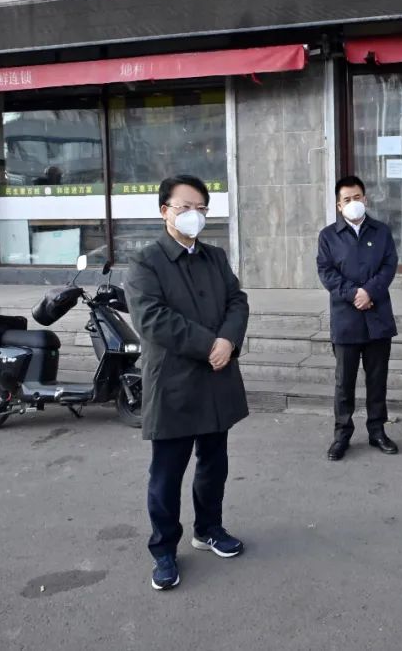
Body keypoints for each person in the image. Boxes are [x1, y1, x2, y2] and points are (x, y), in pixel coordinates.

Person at [125, 174, 250, 591]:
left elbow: (237, 300)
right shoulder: (146, 263)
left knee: (214, 464)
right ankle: (163, 549)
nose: (193, 215)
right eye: (184, 207)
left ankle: (209, 528)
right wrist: (209, 343)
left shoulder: (214, 257)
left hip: (216, 379)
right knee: (166, 474)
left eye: (201, 208)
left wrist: (229, 339)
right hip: (175, 383)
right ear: (165, 211)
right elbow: (152, 319)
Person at [316, 175, 399, 461]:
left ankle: (377, 431)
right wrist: (353, 294)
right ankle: (342, 435)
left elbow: (389, 266)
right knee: (344, 382)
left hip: (378, 317)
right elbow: (326, 273)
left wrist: (370, 292)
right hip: (346, 319)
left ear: (366, 199)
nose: (353, 203)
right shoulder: (328, 236)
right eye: (347, 200)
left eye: (357, 197)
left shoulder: (381, 232)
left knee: (378, 380)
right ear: (339, 206)